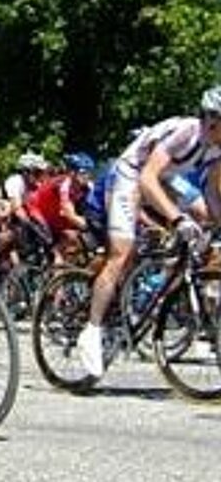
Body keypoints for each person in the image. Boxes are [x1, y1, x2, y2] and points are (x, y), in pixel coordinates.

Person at [81, 89, 221, 377]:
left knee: (204, 214)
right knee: (121, 253)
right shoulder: (187, 132)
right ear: (209, 119)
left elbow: (209, 192)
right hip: (132, 173)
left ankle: (165, 269)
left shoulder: (216, 147)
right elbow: (146, 179)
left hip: (168, 177)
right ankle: (92, 329)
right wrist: (177, 218)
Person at [21, 152, 95, 262]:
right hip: (37, 210)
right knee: (56, 244)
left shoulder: (89, 187)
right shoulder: (63, 184)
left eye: (90, 172)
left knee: (76, 240)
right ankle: (55, 264)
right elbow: (68, 213)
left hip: (55, 215)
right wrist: (90, 227)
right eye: (83, 172)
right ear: (72, 173)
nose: (87, 176)